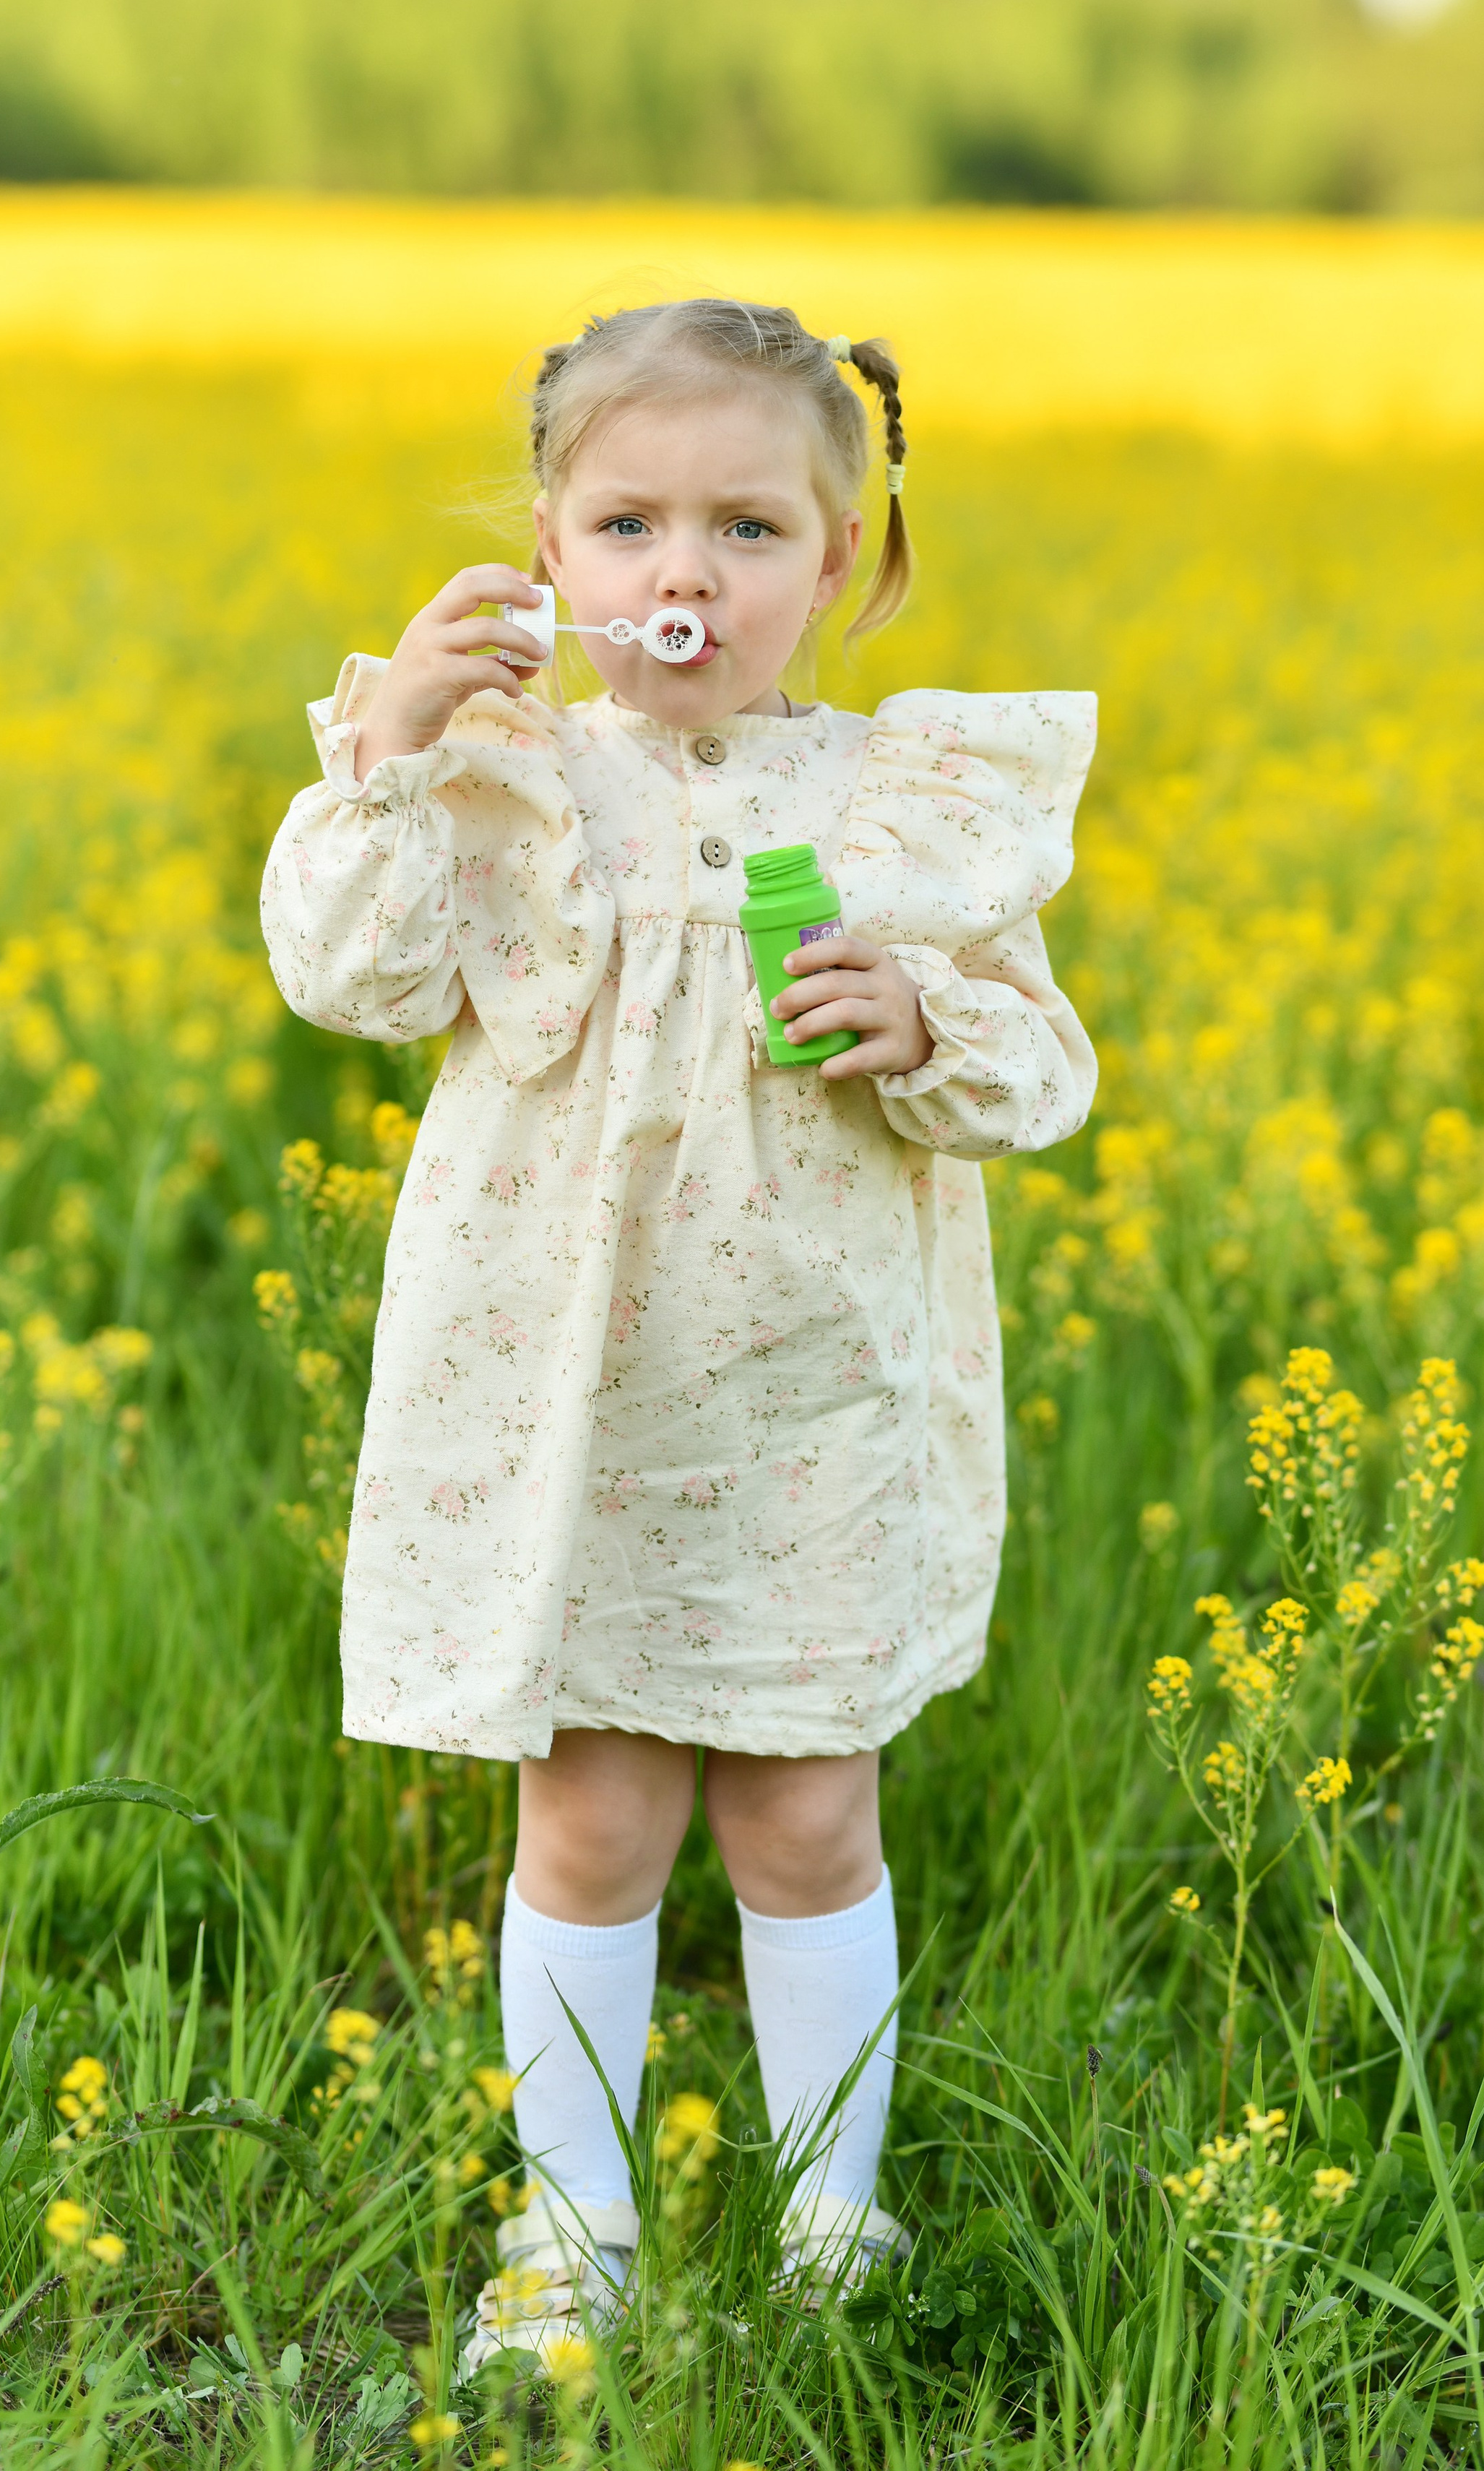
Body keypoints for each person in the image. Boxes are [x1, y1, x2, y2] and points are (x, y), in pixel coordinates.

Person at [261, 297, 1097, 2371]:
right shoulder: (500, 778)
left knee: (811, 1815)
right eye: (628, 525)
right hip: (571, 1398)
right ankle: (574, 2235)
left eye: (746, 528)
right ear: (547, 551)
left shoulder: (908, 802)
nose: (683, 577)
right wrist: (382, 760)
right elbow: (347, 980)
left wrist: (927, 1021)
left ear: (845, 564)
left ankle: (836, 2214)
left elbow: (1039, 1068)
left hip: (816, 1392)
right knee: (596, 1814)